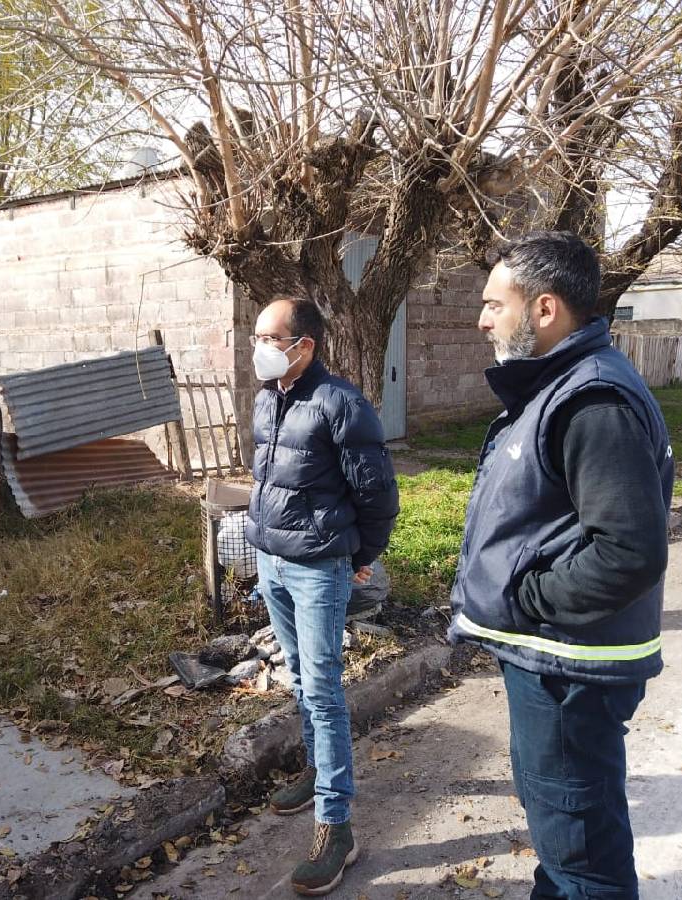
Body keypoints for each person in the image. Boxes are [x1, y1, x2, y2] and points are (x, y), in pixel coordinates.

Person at [450, 232, 674, 899]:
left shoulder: (590, 399)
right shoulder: (558, 386)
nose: (483, 318)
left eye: (495, 303)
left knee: (583, 860)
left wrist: (526, 598)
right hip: (553, 663)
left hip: (570, 667)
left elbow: (628, 551)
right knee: (562, 839)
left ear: (544, 309)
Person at [244, 296, 399, 896]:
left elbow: (378, 496)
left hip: (317, 568)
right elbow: (269, 477)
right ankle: (315, 769)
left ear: (302, 346)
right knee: (301, 679)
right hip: (272, 561)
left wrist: (356, 559)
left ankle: (336, 827)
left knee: (326, 689)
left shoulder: (342, 404)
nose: (257, 345)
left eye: (268, 336)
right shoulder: (266, 399)